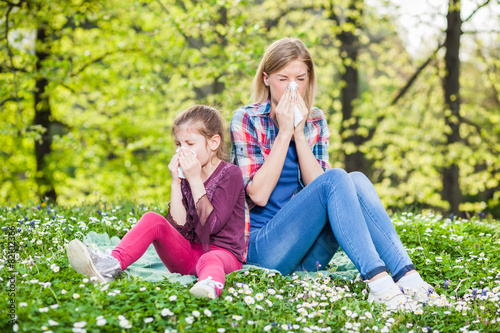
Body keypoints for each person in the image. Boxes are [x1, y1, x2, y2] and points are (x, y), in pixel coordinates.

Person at [230, 37, 435, 310]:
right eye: (283, 79)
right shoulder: (246, 119)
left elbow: (325, 189)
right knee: (339, 177)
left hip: (307, 252)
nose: (293, 87)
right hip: (263, 249)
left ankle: (407, 277)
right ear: (266, 78)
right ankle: (378, 282)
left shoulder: (315, 120)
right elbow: (258, 194)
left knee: (355, 180)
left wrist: (300, 134)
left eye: (300, 79)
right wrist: (284, 133)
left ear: (309, 79)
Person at [68, 105, 246, 298]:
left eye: (190, 143)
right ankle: (110, 265)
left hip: (223, 256)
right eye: (178, 145)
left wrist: (194, 179)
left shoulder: (230, 174)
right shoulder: (186, 177)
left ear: (213, 143)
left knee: (210, 259)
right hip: (188, 257)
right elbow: (178, 229)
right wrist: (176, 182)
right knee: (153, 218)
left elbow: (211, 226)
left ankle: (209, 286)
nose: (182, 151)